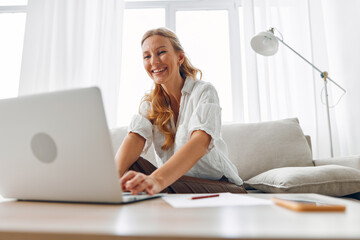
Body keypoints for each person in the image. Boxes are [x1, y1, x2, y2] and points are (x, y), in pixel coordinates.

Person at [116, 27, 246, 195]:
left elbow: (199, 143)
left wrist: (155, 180)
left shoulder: (204, 92)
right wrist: (109, 181)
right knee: (130, 170)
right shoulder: (150, 103)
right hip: (176, 182)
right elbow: (134, 139)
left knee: (141, 181)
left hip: (221, 185)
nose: (154, 62)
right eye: (147, 56)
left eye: (161, 52)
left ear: (180, 58)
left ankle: (156, 189)